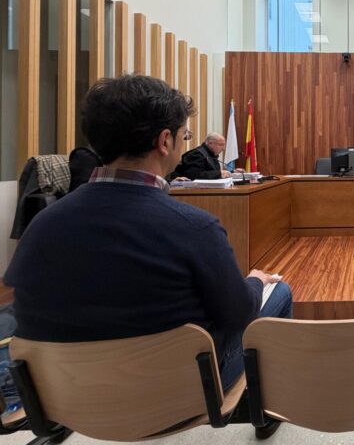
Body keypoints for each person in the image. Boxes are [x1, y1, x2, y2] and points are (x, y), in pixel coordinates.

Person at [5, 75, 291, 439]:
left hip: (67, 395)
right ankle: (264, 415)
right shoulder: (194, 227)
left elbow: (25, 312)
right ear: (165, 140)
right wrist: (255, 281)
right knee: (277, 292)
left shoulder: (41, 226)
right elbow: (240, 315)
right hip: (184, 392)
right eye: (184, 136)